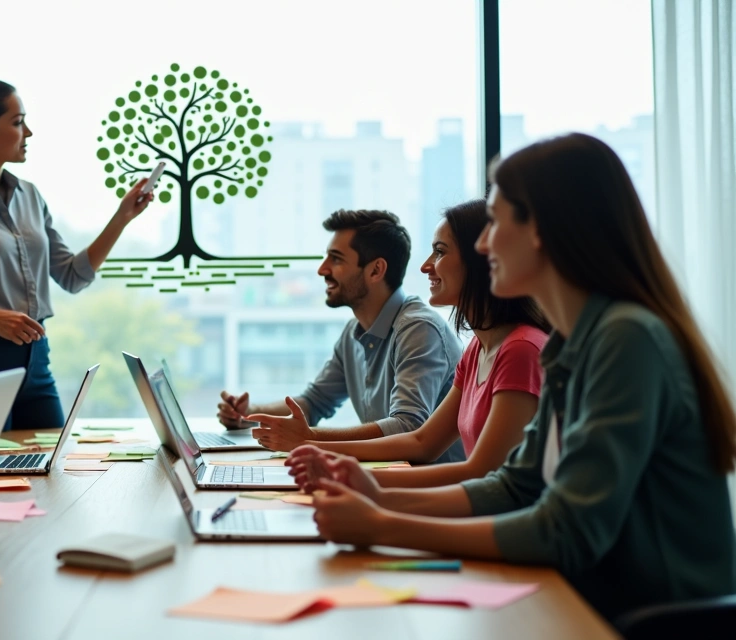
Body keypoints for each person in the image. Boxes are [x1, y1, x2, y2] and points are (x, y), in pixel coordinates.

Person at [289, 133, 736, 620]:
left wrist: (384, 524)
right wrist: (379, 497)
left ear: (542, 229)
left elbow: (563, 529)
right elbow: (514, 487)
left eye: (495, 222)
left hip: (647, 620)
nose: (483, 243)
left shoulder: (624, 339)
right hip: (588, 599)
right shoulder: (571, 345)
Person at [0, 78, 153, 431]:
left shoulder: (31, 196)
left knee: (50, 472)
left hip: (37, 362)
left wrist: (123, 217)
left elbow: (72, 275)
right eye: (18, 122)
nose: (29, 132)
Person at [264, 200, 548, 488]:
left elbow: (481, 476)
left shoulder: (520, 350)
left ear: (483, 258)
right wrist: (317, 448)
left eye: (439, 252)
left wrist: (348, 472)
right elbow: (423, 441)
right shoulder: (478, 348)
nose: (426, 266)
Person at [221, 209, 466, 462]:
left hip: (432, 489)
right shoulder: (354, 332)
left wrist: (308, 438)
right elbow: (313, 403)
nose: (322, 269)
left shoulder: (418, 329)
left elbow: (407, 425)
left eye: (336, 259)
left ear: (375, 270)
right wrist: (248, 414)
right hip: (386, 480)